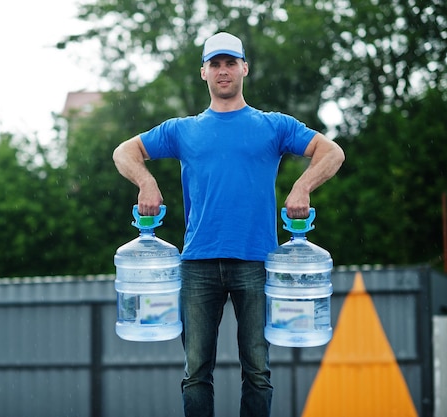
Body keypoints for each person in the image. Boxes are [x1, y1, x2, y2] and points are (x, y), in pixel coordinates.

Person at [112, 32, 344, 417]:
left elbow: (332, 152)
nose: (223, 70)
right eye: (215, 64)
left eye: (230, 62)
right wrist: (147, 180)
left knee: (257, 371)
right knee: (196, 372)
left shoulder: (273, 126)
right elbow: (124, 152)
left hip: (256, 262)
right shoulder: (181, 130)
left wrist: (303, 186)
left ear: (244, 69)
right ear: (203, 72)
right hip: (197, 264)